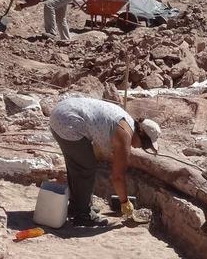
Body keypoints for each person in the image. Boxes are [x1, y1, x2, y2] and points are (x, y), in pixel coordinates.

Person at [48, 96, 160, 227]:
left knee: (77, 165)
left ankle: (77, 206)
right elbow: (117, 177)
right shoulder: (124, 135)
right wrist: (124, 202)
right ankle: (83, 215)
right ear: (141, 134)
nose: (141, 147)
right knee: (86, 167)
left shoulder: (126, 121)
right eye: (145, 144)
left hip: (62, 113)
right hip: (68, 121)